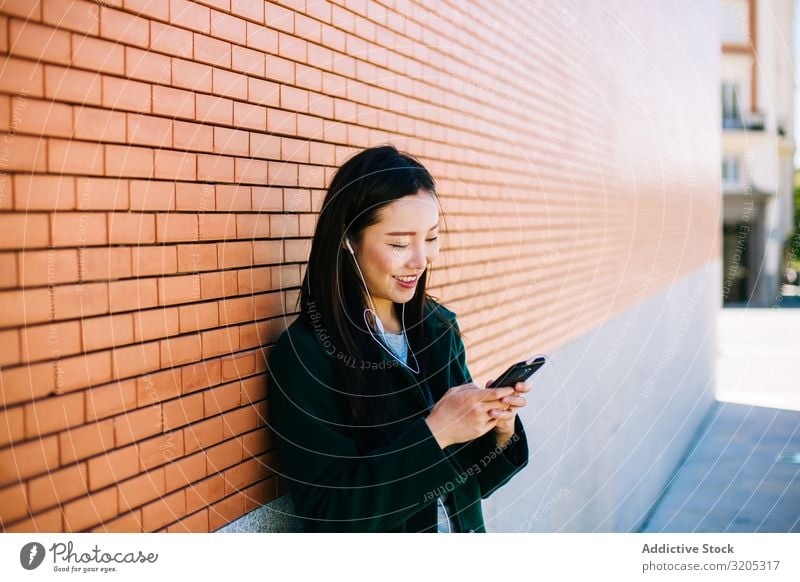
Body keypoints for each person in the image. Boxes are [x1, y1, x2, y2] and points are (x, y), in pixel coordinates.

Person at [267, 144, 530, 532]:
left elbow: (472, 484)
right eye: (399, 243)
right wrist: (436, 433)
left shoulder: (439, 329)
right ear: (347, 239)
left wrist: (497, 427)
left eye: (431, 238)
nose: (421, 260)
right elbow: (330, 517)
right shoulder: (307, 354)